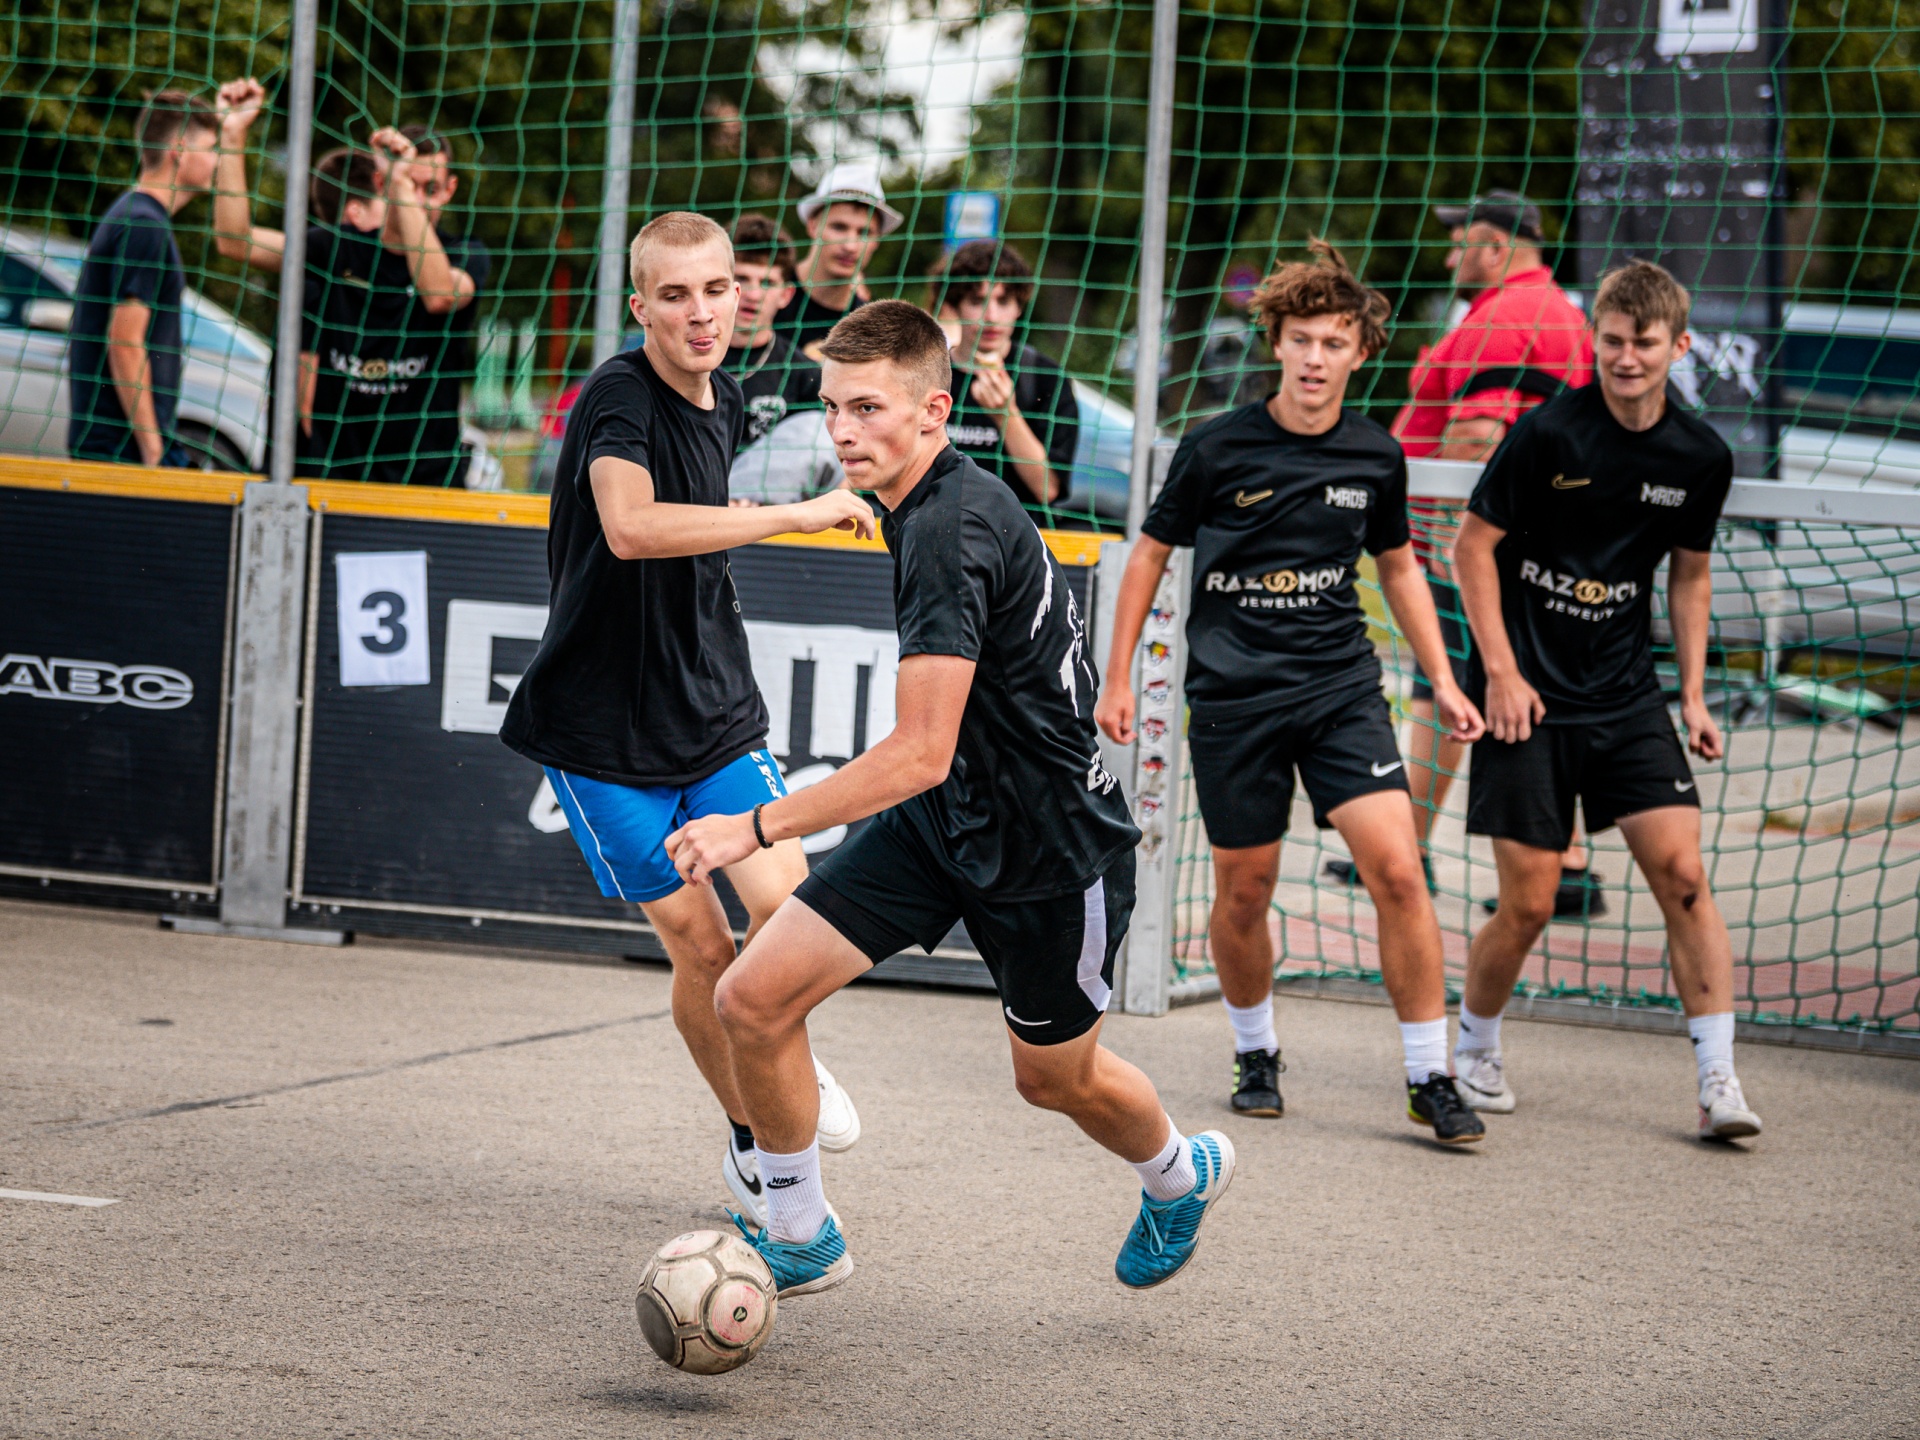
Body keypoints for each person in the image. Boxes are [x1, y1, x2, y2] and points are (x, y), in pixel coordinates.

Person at [665, 301, 1234, 1295]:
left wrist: (752, 827)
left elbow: (918, 754)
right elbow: (942, 765)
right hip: (946, 821)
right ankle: (800, 1232)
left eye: (867, 409)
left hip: (1051, 846)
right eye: (832, 406)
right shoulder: (919, 500)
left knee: (1053, 1079)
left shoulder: (946, 527)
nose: (842, 430)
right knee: (751, 999)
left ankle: (1181, 1175)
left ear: (933, 411)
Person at [497, 213, 881, 1223]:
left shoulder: (731, 394)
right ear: (642, 307)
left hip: (710, 703)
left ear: (739, 294)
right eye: (675, 295)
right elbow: (629, 527)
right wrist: (794, 515)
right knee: (703, 948)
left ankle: (776, 1045)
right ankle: (755, 1140)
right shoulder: (618, 395)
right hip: (599, 730)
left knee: (793, 911)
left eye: (717, 289)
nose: (702, 312)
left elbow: (694, 527)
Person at [1095, 241, 1489, 1145]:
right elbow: (1149, 557)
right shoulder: (1216, 446)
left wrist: (1442, 677)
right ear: (1276, 342)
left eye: (1334, 342)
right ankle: (1256, 1053)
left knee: (1399, 870)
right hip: (1234, 701)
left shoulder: (1375, 454)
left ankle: (1431, 1076)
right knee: (1245, 891)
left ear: (1360, 352)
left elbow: (1400, 568)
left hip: (1341, 690)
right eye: (1301, 339)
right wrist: (1119, 677)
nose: (1315, 358)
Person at [1451, 259, 1762, 1141]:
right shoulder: (1548, 434)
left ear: (1679, 346)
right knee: (1531, 902)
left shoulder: (1700, 456)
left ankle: (1718, 1081)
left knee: (1685, 877)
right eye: (1613, 341)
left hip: (1626, 697)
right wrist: (1500, 672)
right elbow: (1472, 550)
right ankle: (1474, 1049)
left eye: (1644, 343)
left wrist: (1693, 695)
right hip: (1526, 696)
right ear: (1596, 339)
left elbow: (1690, 576)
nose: (1627, 358)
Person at [1341, 192, 1596, 912]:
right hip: (1533, 539)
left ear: (1495, 247)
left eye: (1462, 243)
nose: (1452, 256)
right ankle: (1534, 860)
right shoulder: (1560, 312)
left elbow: (1480, 434)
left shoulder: (1504, 317)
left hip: (1482, 544)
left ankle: (1533, 862)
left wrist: (1450, 539)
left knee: (1454, 683)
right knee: (1461, 685)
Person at [212, 90, 488, 485]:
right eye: (409, 183)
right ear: (380, 182)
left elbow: (439, 294)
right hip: (342, 482)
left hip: (426, 484)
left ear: (450, 190)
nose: (418, 200)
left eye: (430, 189)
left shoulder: (466, 254)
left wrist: (401, 184)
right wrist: (232, 133)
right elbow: (235, 242)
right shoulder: (337, 248)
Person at [68, 90, 220, 467]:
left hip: (120, 445)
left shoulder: (137, 215)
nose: (217, 160)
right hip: (121, 450)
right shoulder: (143, 225)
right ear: (180, 150)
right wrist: (153, 450)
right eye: (212, 148)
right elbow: (125, 340)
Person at [932, 239, 1078, 512]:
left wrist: (1006, 415)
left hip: (1015, 530)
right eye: (977, 301)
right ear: (955, 304)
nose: (991, 316)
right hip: (938, 523)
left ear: (1019, 306)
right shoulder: (929, 374)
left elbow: (1047, 489)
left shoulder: (1045, 378)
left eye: (1003, 301)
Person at [771, 162, 900, 350]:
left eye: (864, 232)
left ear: (877, 240)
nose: (850, 246)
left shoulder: (870, 328)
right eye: (839, 227)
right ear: (813, 226)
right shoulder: (764, 295)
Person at [725, 214, 821, 451]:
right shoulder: (684, 362)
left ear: (786, 295)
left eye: (767, 282)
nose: (753, 294)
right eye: (742, 278)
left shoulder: (804, 375)